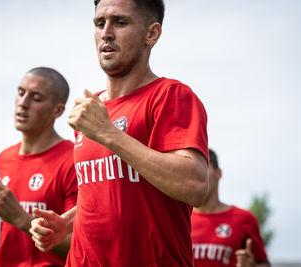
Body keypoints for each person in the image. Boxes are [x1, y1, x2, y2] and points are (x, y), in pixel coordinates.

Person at [30, 0, 209, 266]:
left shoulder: (171, 95)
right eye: (99, 23)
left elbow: (195, 186)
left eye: (120, 22)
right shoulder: (93, 108)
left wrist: (107, 133)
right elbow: (111, 190)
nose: (106, 33)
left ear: (152, 34)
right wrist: (66, 223)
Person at [0, 67, 78, 267]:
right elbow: (13, 232)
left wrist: (21, 218)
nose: (23, 103)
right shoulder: (5, 158)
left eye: (36, 98)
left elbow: (79, 245)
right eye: (21, 93)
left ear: (58, 110)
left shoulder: (73, 160)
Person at [191, 148, 271, 267]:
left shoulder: (245, 219)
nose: (198, 175)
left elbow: (264, 263)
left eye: (203, 168)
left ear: (218, 173)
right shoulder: (178, 220)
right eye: (193, 171)